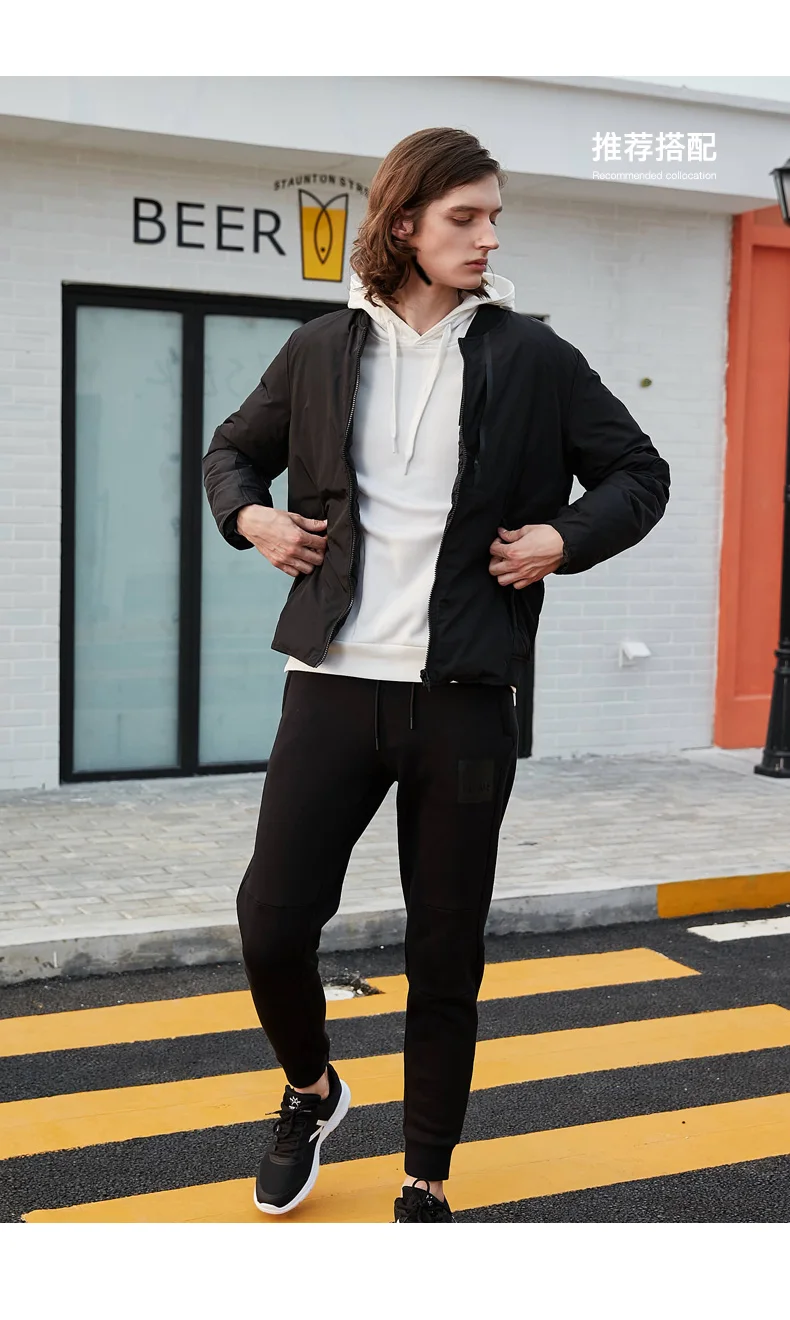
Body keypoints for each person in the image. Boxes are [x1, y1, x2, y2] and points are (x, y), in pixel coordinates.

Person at [203, 126, 671, 1224]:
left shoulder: (533, 356)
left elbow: (637, 473)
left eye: (495, 215)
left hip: (464, 699)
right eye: (465, 215)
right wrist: (252, 518)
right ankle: (311, 1092)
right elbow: (230, 452)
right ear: (403, 220)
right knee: (272, 919)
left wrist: (563, 538)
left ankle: (426, 1174)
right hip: (333, 681)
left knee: (445, 945)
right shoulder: (322, 348)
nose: (487, 234)